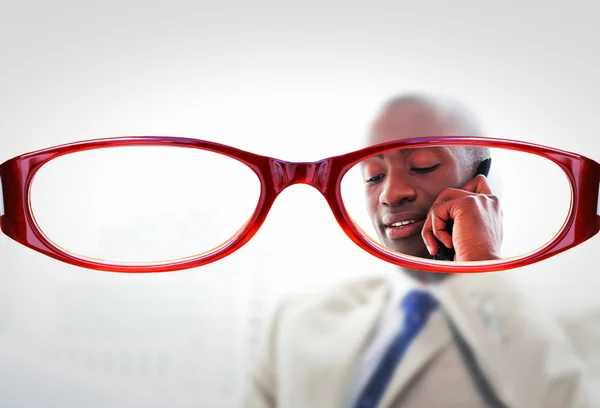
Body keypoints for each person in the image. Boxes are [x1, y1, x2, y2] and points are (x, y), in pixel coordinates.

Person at [241, 93, 596, 408]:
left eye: (423, 165)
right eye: (373, 176)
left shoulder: (573, 326)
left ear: (481, 180)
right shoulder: (298, 317)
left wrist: (481, 266)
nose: (391, 194)